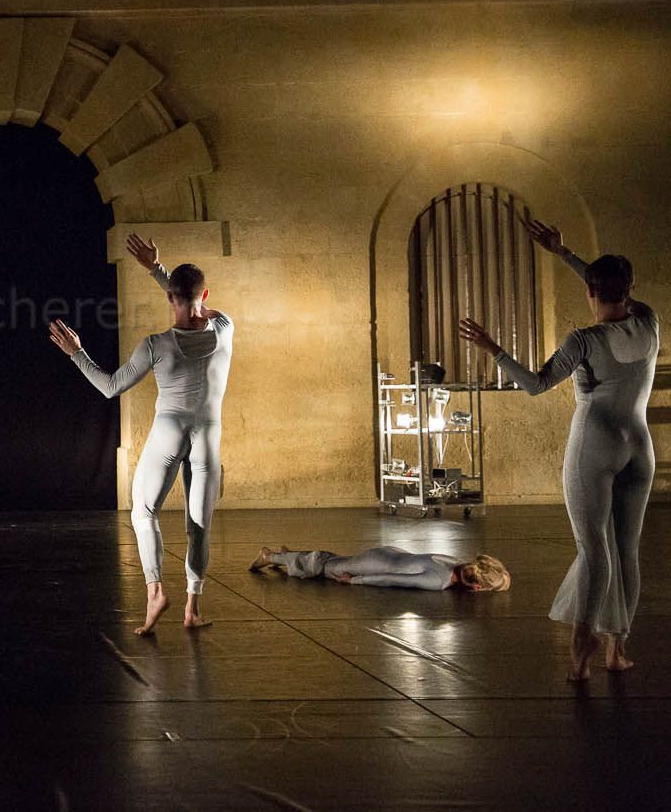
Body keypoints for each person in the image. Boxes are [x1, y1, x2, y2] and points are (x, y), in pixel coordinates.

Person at [460, 219, 658, 681]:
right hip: (639, 449)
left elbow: (535, 385)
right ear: (629, 289)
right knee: (627, 552)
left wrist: (494, 349)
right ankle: (617, 652)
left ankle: (580, 659)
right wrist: (564, 254)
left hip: (596, 448)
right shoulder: (649, 321)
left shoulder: (583, 340)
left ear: (591, 292)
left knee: (594, 553)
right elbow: (607, 283)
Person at [49, 232, 233, 635]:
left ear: (170, 298)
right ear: (205, 295)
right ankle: (192, 608)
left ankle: (155, 592)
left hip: (169, 433)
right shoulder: (224, 328)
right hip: (208, 438)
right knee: (198, 527)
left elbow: (110, 387)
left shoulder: (156, 345)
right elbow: (193, 300)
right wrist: (157, 269)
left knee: (143, 512)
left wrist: (77, 353)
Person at [249, 545, 511, 591]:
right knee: (326, 567)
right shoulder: (438, 581)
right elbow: (391, 579)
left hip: (388, 553)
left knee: (334, 560)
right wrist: (355, 581)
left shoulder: (452, 560)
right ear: (477, 586)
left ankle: (289, 556)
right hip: (374, 564)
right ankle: (271, 557)